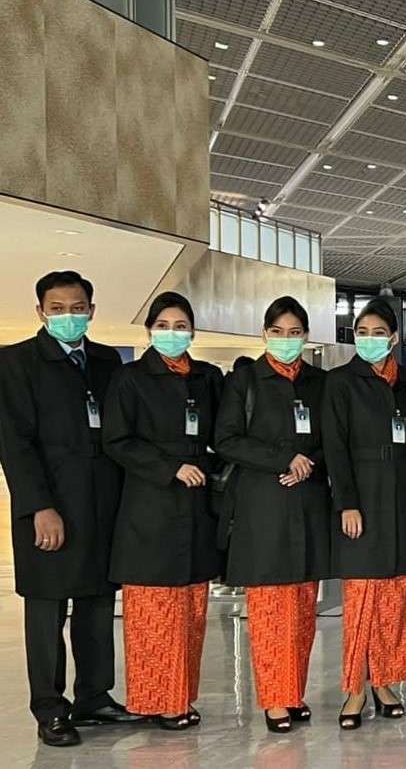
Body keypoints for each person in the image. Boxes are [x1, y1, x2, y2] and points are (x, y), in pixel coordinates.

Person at [0, 271, 140, 746]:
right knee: (47, 611)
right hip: (50, 511)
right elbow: (14, 445)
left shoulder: (106, 362)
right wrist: (40, 506)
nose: (68, 316)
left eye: (77, 307)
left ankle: (94, 697)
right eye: (57, 309)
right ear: (40, 312)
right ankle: (50, 708)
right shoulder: (15, 363)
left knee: (97, 606)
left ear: (92, 310)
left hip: (102, 506)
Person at [102, 292, 224, 731]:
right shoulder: (130, 378)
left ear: (193, 331)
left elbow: (223, 434)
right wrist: (170, 467)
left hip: (196, 507)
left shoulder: (207, 378)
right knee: (154, 611)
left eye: (181, 325)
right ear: (149, 330)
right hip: (149, 506)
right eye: (164, 325)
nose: (173, 334)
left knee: (191, 611)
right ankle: (158, 699)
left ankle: (181, 696)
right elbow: (117, 440)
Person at [214, 296, 329, 734]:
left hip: (307, 505)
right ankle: (274, 699)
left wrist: (308, 462)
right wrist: (284, 458)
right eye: (277, 332)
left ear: (306, 336)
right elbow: (226, 439)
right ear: (264, 334)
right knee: (268, 610)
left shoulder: (319, 383)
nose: (286, 340)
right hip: (262, 506)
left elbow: (333, 436)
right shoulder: (246, 381)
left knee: (302, 607)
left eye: (295, 332)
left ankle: (293, 692)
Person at [323, 299, 406, 729]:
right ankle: (355, 688)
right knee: (361, 601)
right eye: (362, 332)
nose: (370, 339)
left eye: (379, 332)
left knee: (395, 600)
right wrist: (347, 503)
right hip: (361, 499)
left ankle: (385, 680)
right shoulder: (341, 383)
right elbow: (335, 449)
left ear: (393, 338)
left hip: (401, 501)